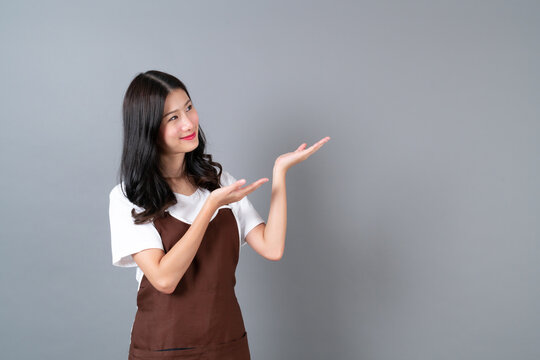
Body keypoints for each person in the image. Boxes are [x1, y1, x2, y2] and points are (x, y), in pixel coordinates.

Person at [108, 70, 330, 359]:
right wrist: (210, 207)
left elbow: (272, 247)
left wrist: (280, 173)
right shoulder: (128, 197)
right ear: (149, 129)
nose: (188, 123)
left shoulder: (218, 180)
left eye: (188, 108)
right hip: (164, 348)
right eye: (172, 118)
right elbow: (164, 279)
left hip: (226, 343)